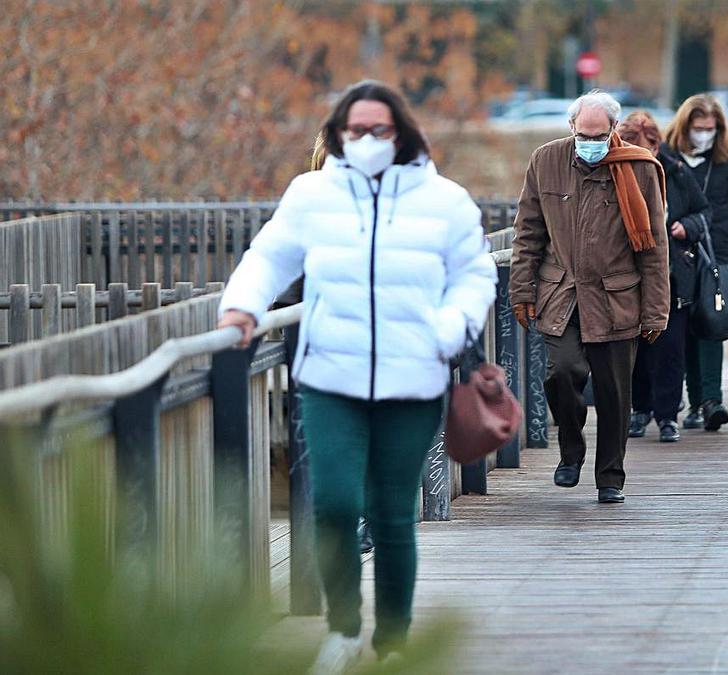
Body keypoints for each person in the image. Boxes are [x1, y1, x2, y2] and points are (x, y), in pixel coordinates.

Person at [217, 80, 498, 673]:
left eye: (380, 130)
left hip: (412, 380)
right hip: (330, 377)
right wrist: (242, 306)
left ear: (402, 133)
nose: (368, 140)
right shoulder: (311, 194)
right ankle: (343, 627)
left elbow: (475, 276)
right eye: (356, 130)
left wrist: (448, 328)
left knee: (393, 512)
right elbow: (270, 257)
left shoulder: (443, 200)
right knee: (336, 504)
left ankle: (394, 638)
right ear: (339, 135)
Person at [509, 90, 669, 504]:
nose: (591, 142)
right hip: (561, 294)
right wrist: (522, 289)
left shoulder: (639, 168)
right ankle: (571, 449)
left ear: (614, 129)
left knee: (615, 393)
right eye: (584, 134)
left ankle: (610, 477)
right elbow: (528, 232)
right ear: (571, 128)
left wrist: (656, 311)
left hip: (617, 296)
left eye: (599, 135)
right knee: (560, 373)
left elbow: (653, 246)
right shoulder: (545, 161)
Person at [663, 94, 728, 432]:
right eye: (698, 128)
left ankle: (711, 400)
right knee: (687, 330)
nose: (704, 134)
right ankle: (695, 401)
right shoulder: (666, 156)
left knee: (711, 324)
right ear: (686, 126)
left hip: (719, 256)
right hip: (678, 254)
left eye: (710, 128)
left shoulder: (727, 158)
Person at [618, 112, 711, 444]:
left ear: (656, 145)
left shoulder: (676, 171)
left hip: (674, 274)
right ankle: (640, 409)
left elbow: (704, 212)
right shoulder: (615, 172)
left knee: (670, 348)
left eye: (644, 149)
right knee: (635, 349)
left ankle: (668, 415)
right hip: (628, 276)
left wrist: (687, 227)